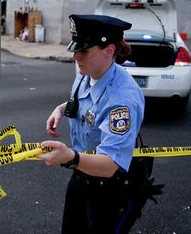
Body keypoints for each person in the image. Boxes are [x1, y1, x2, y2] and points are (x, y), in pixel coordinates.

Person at [37, 14, 145, 233]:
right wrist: (60, 110)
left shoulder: (121, 100)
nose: (76, 56)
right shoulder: (87, 72)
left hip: (109, 189)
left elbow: (110, 164)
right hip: (81, 175)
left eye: (84, 50)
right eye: (76, 49)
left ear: (109, 51)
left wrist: (70, 157)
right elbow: (82, 100)